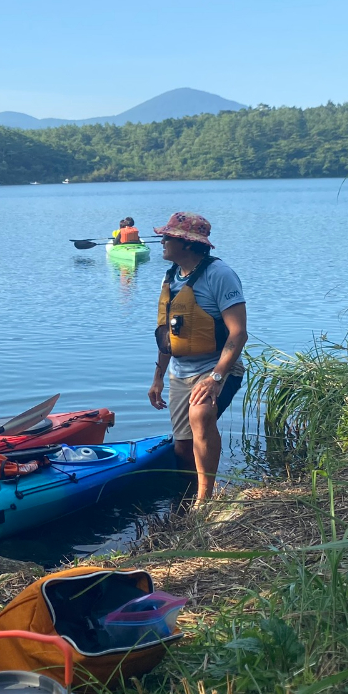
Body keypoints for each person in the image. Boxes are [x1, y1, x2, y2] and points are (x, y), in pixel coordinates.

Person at [146, 212, 247, 506]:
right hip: (180, 372)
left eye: (168, 237)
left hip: (218, 367)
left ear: (188, 244)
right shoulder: (171, 277)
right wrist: (157, 378)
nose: (162, 241)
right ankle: (187, 500)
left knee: (201, 415)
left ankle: (206, 500)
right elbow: (168, 334)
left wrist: (216, 378)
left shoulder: (220, 275)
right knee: (182, 448)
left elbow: (238, 334)